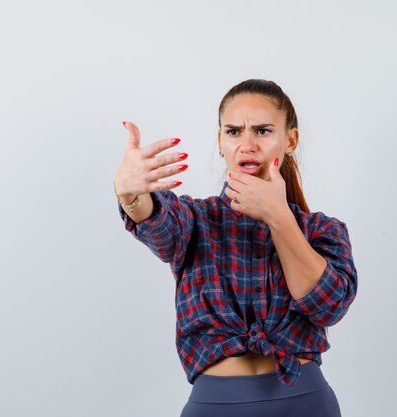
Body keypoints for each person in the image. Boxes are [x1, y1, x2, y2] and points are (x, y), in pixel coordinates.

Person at [113, 79, 358, 417]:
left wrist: (279, 218)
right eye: (233, 132)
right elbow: (157, 220)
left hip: (305, 402)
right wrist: (129, 194)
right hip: (216, 406)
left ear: (290, 140)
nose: (247, 144)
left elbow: (327, 306)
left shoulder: (322, 230)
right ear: (219, 142)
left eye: (262, 131)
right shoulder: (196, 220)